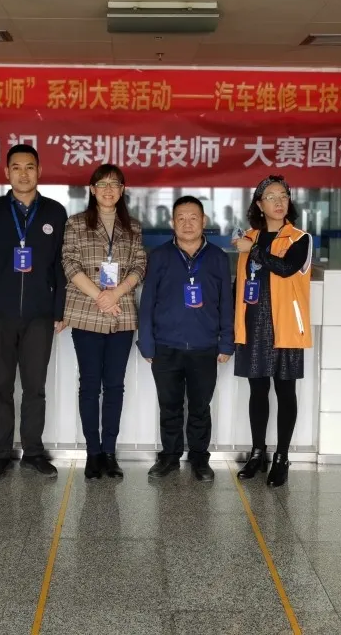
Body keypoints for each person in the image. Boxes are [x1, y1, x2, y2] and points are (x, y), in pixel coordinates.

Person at [0, 144, 68, 481]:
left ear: (39, 171)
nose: (23, 174)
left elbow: (61, 266)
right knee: (1, 387)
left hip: (40, 315)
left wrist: (59, 309)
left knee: (35, 388)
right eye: (16, 167)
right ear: (6, 172)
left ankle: (34, 453)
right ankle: (1, 455)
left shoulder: (55, 213)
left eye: (30, 167)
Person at [138, 196, 234, 482]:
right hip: (166, 345)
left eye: (193, 217)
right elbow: (148, 301)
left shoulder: (218, 257)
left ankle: (199, 458)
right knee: (169, 406)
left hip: (205, 346)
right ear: (172, 223)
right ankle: (169, 456)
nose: (187, 223)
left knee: (200, 408)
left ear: (204, 221)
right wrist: (147, 342)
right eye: (181, 218)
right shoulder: (159, 256)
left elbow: (226, 303)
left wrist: (226, 342)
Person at [62, 164, 147, 480]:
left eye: (115, 184)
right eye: (102, 184)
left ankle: (109, 452)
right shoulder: (76, 223)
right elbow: (69, 264)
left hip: (121, 315)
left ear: (123, 190)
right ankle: (92, 452)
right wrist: (101, 296)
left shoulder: (133, 227)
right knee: (89, 385)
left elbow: (139, 266)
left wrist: (116, 294)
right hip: (87, 312)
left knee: (114, 386)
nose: (108, 190)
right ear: (92, 189)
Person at [231, 176, 313, 488]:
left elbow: (285, 268)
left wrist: (253, 250)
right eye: (271, 196)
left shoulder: (299, 238)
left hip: (286, 327)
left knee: (285, 391)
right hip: (253, 325)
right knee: (257, 391)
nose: (279, 202)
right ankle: (258, 453)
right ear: (259, 204)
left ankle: (281, 457)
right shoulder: (249, 237)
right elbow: (241, 285)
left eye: (283, 196)